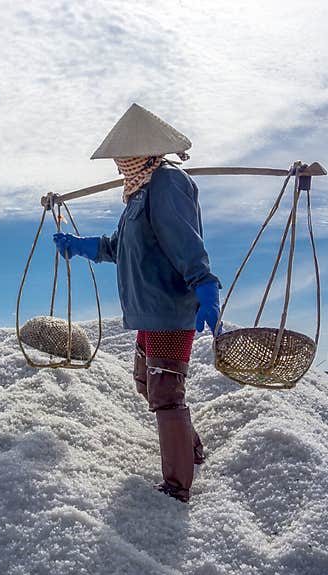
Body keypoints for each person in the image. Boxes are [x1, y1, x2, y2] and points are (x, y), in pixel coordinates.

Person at [52, 103, 221, 504]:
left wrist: (204, 283)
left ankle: (177, 486)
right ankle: (190, 449)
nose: (117, 166)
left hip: (168, 308)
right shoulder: (139, 192)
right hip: (149, 310)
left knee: (165, 390)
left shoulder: (166, 183)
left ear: (141, 152)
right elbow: (119, 247)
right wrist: (81, 247)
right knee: (148, 383)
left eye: (121, 157)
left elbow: (184, 239)